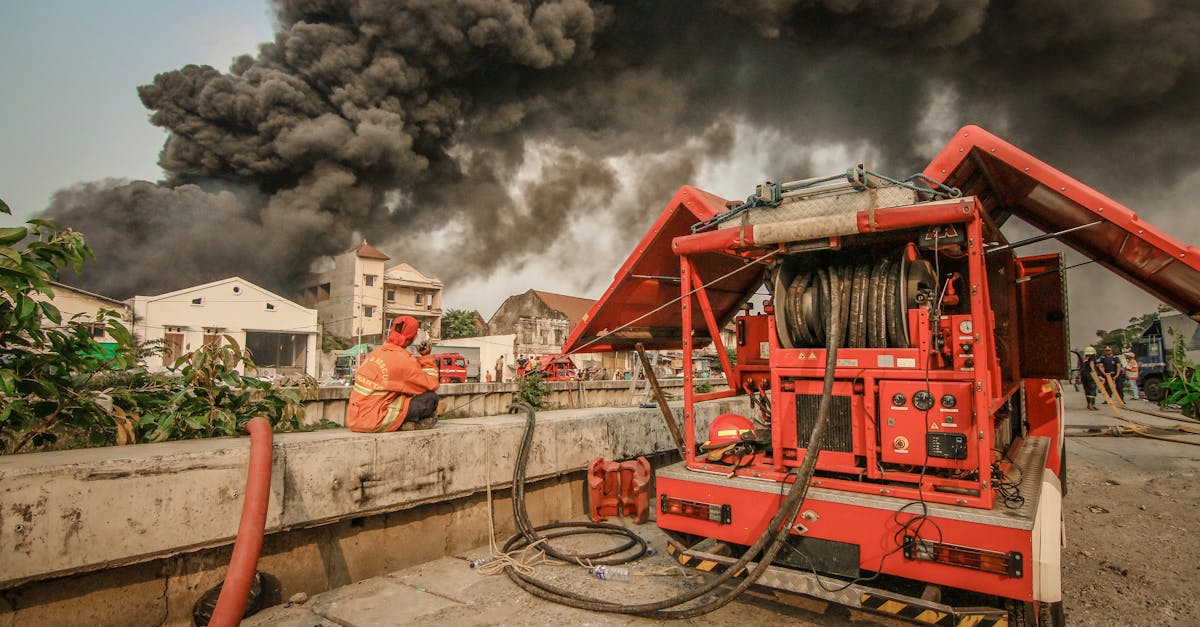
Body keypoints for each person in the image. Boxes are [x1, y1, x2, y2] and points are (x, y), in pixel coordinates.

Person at [345, 316, 441, 432]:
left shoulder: (376, 353)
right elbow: (432, 384)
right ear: (413, 337)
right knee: (431, 398)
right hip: (375, 420)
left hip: (355, 419)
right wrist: (426, 357)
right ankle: (401, 424)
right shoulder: (404, 360)